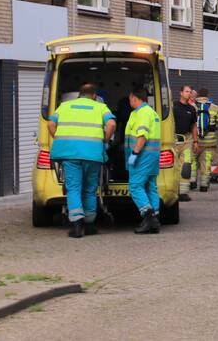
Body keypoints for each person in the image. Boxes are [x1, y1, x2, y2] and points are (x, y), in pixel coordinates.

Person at [47, 83, 116, 238]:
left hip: (71, 155)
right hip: (93, 154)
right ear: (94, 95)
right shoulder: (100, 107)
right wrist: (104, 140)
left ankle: (77, 226)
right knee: (90, 189)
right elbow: (111, 124)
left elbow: (50, 124)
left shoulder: (64, 106)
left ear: (80, 94)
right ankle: (90, 225)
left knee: (74, 189)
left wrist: (59, 138)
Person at [125, 88, 162, 234]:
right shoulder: (151, 112)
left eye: (130, 99)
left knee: (135, 186)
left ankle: (149, 217)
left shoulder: (143, 113)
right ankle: (155, 220)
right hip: (152, 156)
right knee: (150, 186)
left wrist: (134, 153)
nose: (129, 102)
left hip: (143, 156)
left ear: (135, 97)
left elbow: (142, 136)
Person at [192, 88, 218, 192]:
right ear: (207, 95)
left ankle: (192, 182)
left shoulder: (192, 107)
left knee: (192, 162)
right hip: (210, 143)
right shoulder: (215, 107)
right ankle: (204, 186)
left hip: (195, 141)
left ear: (197, 95)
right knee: (206, 163)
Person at [172, 86, 197, 202]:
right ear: (181, 92)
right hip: (173, 140)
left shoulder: (192, 109)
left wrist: (196, 141)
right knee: (173, 166)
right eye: (186, 91)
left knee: (186, 166)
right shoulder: (173, 106)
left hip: (187, 140)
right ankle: (173, 191)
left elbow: (194, 126)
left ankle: (183, 193)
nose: (189, 94)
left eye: (190, 92)